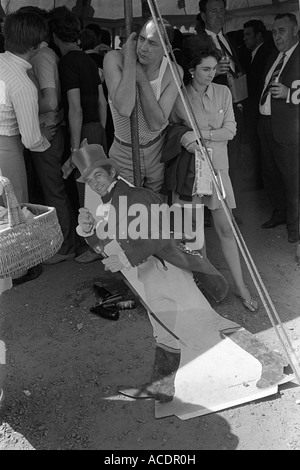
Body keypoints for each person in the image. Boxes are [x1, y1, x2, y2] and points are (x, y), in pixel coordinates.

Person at [73, 143, 285, 402]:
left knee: (209, 322)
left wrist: (125, 257)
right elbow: (104, 246)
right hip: (146, 279)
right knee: (163, 333)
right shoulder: (104, 204)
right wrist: (88, 230)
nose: (94, 182)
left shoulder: (134, 196)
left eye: (98, 175)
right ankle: (162, 388)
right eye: (89, 179)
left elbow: (160, 233)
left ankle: (270, 362)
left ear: (111, 171)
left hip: (166, 272)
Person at [165, 43, 259, 313]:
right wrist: (187, 137)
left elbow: (231, 130)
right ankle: (206, 286)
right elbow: (173, 129)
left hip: (218, 169)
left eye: (214, 68)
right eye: (205, 69)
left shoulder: (224, 92)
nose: (211, 73)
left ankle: (241, 287)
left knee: (226, 230)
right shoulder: (179, 97)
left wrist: (201, 134)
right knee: (195, 235)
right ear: (192, 70)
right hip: (191, 172)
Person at [17, 6, 77, 265]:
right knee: (55, 190)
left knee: (54, 192)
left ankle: (66, 246)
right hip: (51, 129)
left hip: (47, 131)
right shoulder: (47, 54)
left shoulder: (42, 56)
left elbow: (50, 101)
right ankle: (65, 242)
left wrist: (24, 107)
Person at [0, 10, 57, 283]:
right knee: (14, 207)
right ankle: (17, 269)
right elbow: (31, 139)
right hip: (7, 148)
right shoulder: (23, 83)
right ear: (35, 46)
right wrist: (50, 144)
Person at [48, 8, 108, 263]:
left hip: (81, 131)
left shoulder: (67, 63)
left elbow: (75, 108)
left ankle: (96, 247)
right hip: (96, 129)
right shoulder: (87, 60)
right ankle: (101, 243)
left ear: (54, 35)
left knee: (86, 192)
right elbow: (103, 101)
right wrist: (100, 132)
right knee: (102, 189)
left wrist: (75, 150)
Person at [103, 17, 183, 193]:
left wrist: (140, 76)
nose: (143, 48)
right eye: (141, 39)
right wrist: (131, 62)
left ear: (166, 48)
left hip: (156, 150)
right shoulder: (114, 58)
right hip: (123, 151)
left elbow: (156, 124)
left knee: (154, 209)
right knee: (124, 212)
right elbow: (124, 108)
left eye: (153, 43)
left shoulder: (173, 70)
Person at [197, 0, 247, 224]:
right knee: (213, 163)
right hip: (211, 112)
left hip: (233, 106)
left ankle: (227, 210)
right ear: (203, 15)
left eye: (221, 10)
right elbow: (194, 77)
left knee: (230, 161)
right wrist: (216, 72)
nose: (219, 15)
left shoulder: (227, 39)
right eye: (213, 11)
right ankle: (212, 212)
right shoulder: (198, 41)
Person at [258, 13, 299, 244]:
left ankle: (296, 229)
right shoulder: (274, 56)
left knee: (292, 180)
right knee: (271, 175)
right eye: (273, 32)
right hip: (266, 125)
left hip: (289, 128)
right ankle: (279, 214)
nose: (277, 36)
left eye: (281, 30)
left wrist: (289, 93)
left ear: (295, 30)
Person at [242, 19, 274, 190]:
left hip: (258, 112)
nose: (244, 39)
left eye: (248, 35)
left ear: (259, 36)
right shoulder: (253, 55)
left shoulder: (265, 55)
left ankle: (258, 182)